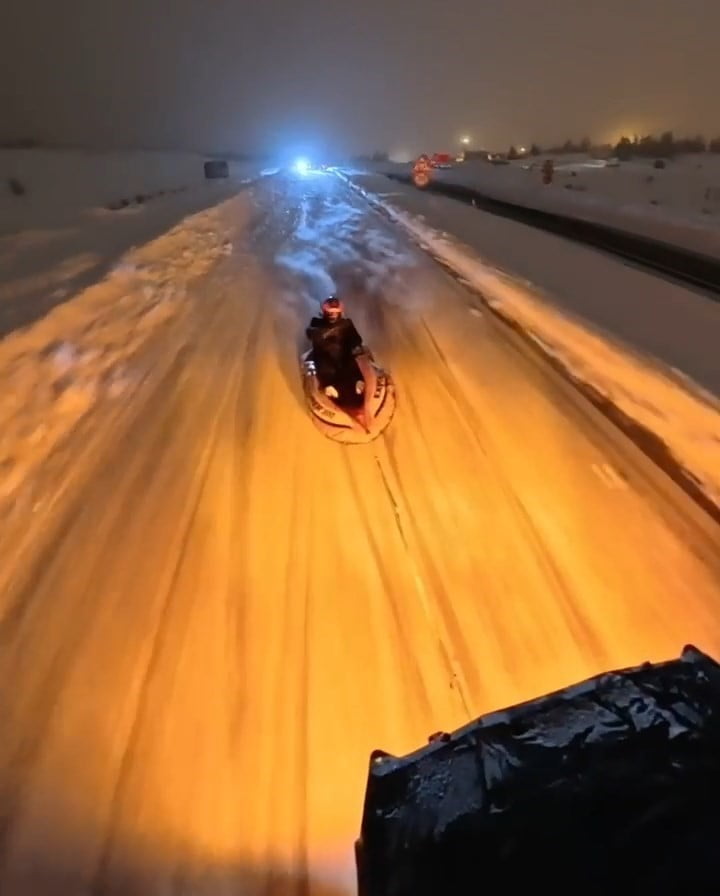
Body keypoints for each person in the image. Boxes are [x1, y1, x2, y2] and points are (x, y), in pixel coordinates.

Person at [306, 296, 365, 401]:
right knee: (323, 361)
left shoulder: (346, 324)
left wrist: (355, 345)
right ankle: (328, 386)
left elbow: (356, 339)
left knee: (351, 360)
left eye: (335, 312)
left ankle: (358, 382)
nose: (332, 315)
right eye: (329, 312)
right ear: (324, 312)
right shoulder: (316, 323)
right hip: (325, 358)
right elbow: (310, 334)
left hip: (343, 356)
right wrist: (316, 333)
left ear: (340, 312)